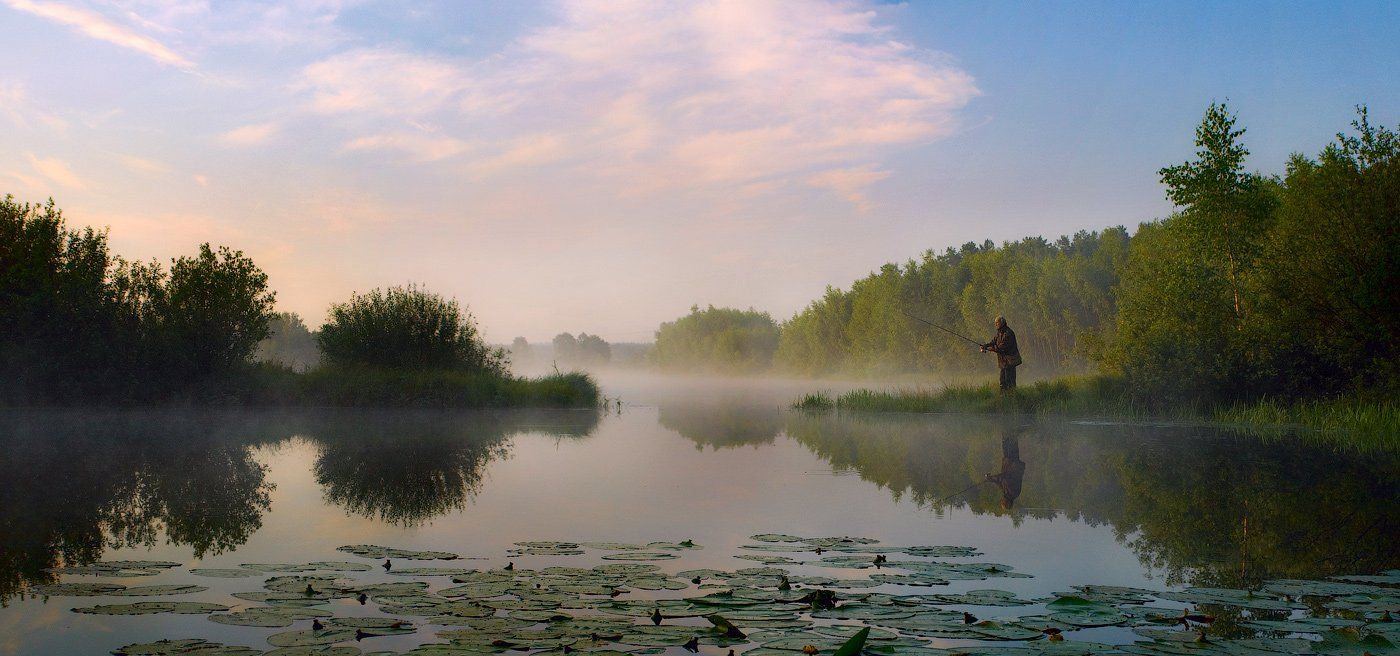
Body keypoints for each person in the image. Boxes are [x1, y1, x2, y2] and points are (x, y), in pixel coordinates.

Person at [980, 316, 1021, 391]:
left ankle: (1012, 396)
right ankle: (1003, 396)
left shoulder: (1008, 333)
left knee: (1009, 382)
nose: (995, 324)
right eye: (995, 323)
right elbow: (993, 342)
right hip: (1003, 362)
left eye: (997, 323)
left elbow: (1001, 348)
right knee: (1002, 382)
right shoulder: (999, 333)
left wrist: (988, 349)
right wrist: (985, 345)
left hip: (1010, 361)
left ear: (1002, 323)